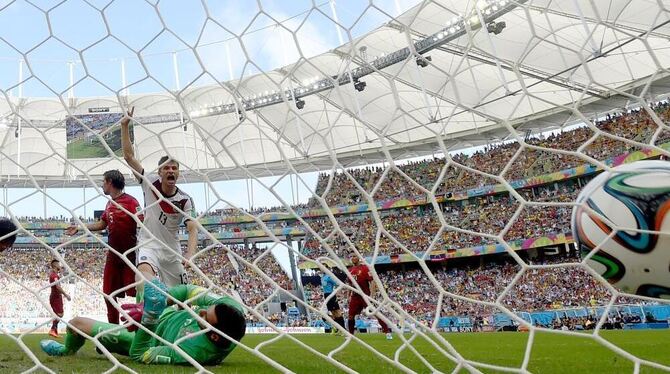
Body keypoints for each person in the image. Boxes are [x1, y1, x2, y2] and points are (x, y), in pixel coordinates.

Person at [40, 281, 246, 366]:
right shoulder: (230, 308)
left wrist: (147, 320)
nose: (199, 311)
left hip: (148, 337)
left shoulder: (195, 352)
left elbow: (142, 354)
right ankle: (144, 306)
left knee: (76, 323)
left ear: (214, 336)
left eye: (204, 317)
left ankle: (66, 350)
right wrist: (158, 303)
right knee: (148, 282)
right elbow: (186, 291)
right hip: (163, 310)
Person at [120, 107, 198, 294]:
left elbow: (192, 227)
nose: (171, 171)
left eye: (174, 168)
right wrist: (124, 126)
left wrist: (190, 254)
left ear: (178, 173)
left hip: (172, 251)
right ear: (160, 172)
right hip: (149, 243)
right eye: (167, 168)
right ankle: (149, 302)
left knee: (181, 297)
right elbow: (129, 157)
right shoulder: (149, 183)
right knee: (143, 274)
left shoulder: (185, 200)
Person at [66, 170, 141, 324]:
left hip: (130, 256)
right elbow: (102, 224)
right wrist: (80, 227)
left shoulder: (132, 202)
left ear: (110, 182)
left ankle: (140, 324)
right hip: (113, 256)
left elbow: (143, 222)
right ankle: (113, 330)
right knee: (108, 293)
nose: (102, 185)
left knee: (137, 291)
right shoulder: (109, 204)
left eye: (103, 182)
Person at [346, 256, 392, 339]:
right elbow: (350, 284)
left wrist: (372, 295)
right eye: (351, 257)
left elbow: (372, 282)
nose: (353, 258)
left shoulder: (365, 268)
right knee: (350, 316)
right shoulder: (350, 270)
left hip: (365, 295)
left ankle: (387, 332)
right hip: (355, 296)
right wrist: (348, 295)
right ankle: (351, 334)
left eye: (354, 256)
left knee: (376, 313)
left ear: (358, 258)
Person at [49, 259, 71, 338]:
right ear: (55, 265)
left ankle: (55, 331)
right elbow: (58, 287)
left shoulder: (54, 275)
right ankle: (52, 330)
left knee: (58, 314)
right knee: (60, 314)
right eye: (58, 264)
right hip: (56, 297)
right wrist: (66, 295)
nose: (60, 266)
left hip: (56, 296)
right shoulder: (54, 276)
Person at [321, 266, 345, 332]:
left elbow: (337, 284)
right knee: (333, 313)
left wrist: (337, 294)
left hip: (331, 294)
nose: (321, 268)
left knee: (337, 312)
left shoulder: (330, 276)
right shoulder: (323, 277)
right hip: (326, 295)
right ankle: (338, 329)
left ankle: (343, 329)